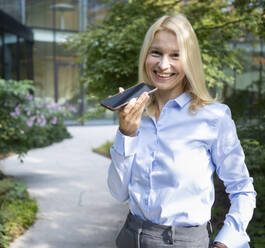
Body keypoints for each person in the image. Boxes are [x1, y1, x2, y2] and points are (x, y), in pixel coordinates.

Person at [107, 13, 256, 248]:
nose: (163, 65)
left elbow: (242, 189)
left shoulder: (213, 117)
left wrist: (226, 242)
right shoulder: (135, 114)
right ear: (146, 56)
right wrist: (126, 134)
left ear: (190, 61)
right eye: (156, 52)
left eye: (176, 55)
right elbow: (118, 193)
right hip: (130, 237)